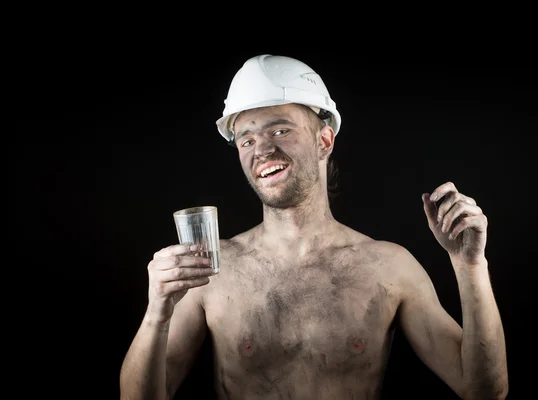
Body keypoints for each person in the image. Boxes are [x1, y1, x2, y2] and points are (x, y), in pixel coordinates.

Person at [119, 54, 509, 400]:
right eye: (246, 139)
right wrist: (157, 312)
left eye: (280, 130)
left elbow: (483, 390)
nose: (262, 150)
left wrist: (470, 268)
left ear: (325, 140)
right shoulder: (214, 272)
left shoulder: (388, 267)